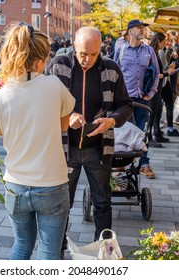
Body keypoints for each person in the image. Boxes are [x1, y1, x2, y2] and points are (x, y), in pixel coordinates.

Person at [0, 22, 75, 260]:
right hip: (52, 184)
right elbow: (63, 125)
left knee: (21, 247)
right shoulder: (54, 86)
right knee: (49, 252)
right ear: (39, 61)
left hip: (15, 186)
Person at [45, 26, 132, 253]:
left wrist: (112, 121)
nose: (88, 59)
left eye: (94, 54)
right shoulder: (58, 65)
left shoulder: (111, 69)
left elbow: (126, 105)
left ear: (101, 48)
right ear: (74, 46)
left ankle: (104, 252)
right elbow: (43, 103)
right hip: (66, 148)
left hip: (99, 149)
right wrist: (67, 115)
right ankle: (57, 250)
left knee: (102, 202)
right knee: (62, 204)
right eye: (83, 53)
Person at [114, 19, 160, 179]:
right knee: (123, 133)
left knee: (142, 133)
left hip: (142, 100)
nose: (142, 30)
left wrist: (150, 94)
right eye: (139, 28)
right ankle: (122, 168)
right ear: (130, 31)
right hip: (123, 101)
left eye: (143, 28)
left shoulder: (149, 51)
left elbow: (156, 75)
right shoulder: (120, 49)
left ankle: (144, 164)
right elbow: (114, 73)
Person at [148, 32, 175, 146]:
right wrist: (167, 73)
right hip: (154, 88)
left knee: (157, 110)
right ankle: (149, 138)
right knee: (153, 113)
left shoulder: (153, 52)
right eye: (163, 42)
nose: (164, 44)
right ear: (158, 41)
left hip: (156, 88)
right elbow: (156, 74)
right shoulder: (153, 53)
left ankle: (155, 135)